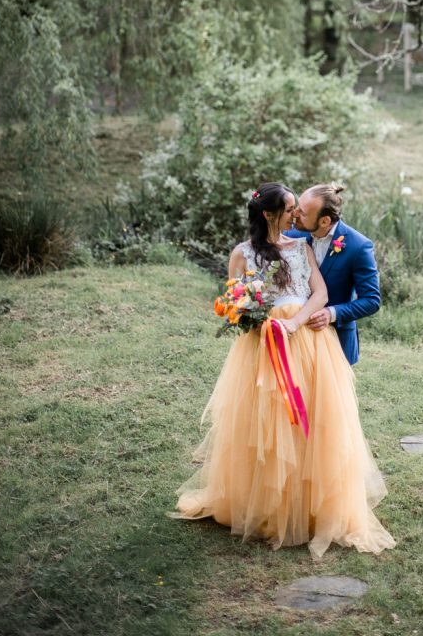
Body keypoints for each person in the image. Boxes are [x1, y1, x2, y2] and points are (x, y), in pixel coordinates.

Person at [169, 182, 395, 560]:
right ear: (271, 215)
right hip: (263, 344)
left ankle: (311, 505)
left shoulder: (302, 246)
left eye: (299, 209)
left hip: (307, 340)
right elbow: (232, 299)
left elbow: (320, 294)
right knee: (265, 421)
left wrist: (295, 323)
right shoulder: (242, 253)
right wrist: (254, 318)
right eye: (290, 208)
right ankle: (268, 504)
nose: (295, 215)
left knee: (314, 418)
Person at [286, 184, 379, 365]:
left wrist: (332, 313)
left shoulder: (359, 246)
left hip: (336, 339)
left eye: (303, 213)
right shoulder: (292, 234)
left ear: (324, 221)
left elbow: (372, 300)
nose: (295, 213)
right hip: (295, 337)